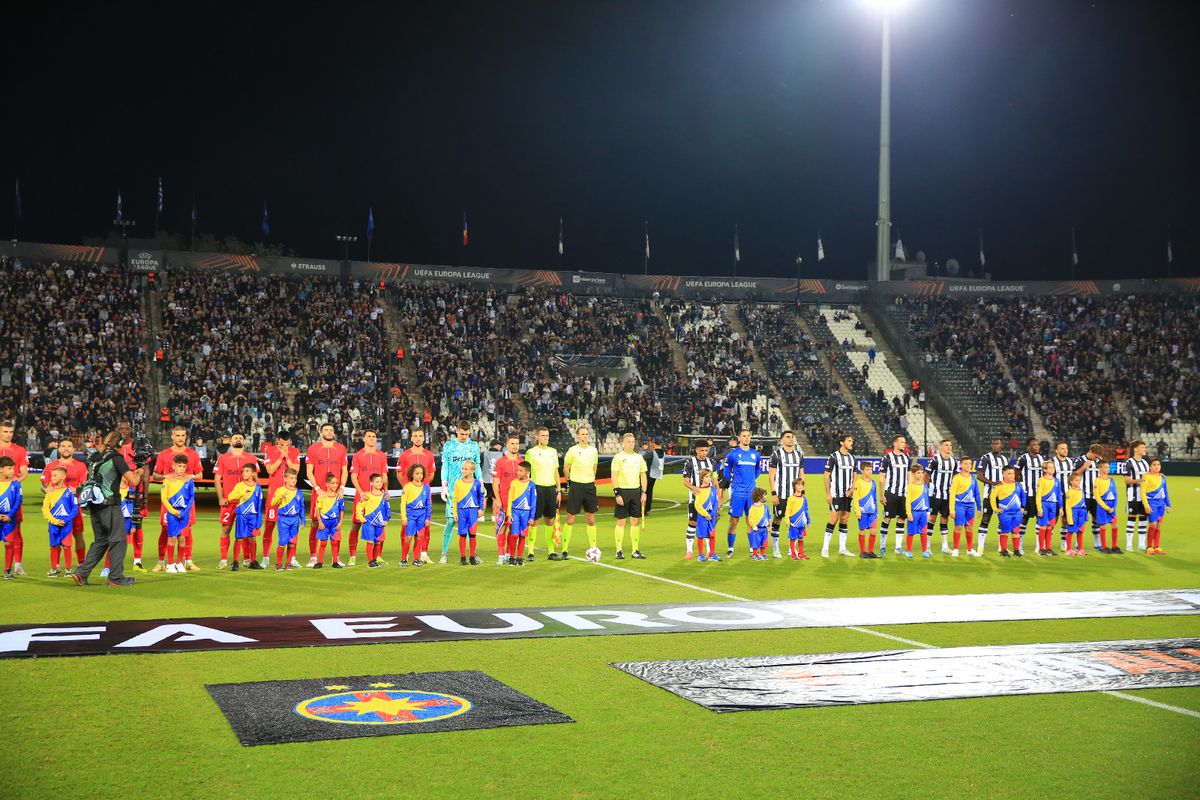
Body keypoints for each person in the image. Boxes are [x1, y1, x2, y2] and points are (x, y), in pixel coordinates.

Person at [71, 431, 144, 587]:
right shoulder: (117, 458)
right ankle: (116, 578)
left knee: (101, 541)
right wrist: (140, 472)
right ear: (119, 444)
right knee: (118, 540)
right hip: (109, 504)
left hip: (94, 505)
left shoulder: (95, 458)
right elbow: (133, 481)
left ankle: (81, 573)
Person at [151, 426, 204, 572]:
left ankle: (187, 561)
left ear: (186, 437)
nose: (180, 438)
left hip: (186, 501)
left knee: (187, 531)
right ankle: (161, 562)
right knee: (165, 530)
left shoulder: (193, 454)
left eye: (183, 435)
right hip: (170, 499)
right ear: (172, 437)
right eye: (177, 435)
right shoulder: (164, 454)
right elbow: (155, 475)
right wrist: (165, 476)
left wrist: (191, 476)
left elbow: (200, 475)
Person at [214, 433, 260, 570]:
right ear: (230, 441)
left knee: (247, 531)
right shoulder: (223, 458)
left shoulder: (251, 458)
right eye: (235, 438)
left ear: (244, 441)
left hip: (247, 502)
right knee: (226, 529)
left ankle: (247, 559)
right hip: (229, 501)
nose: (238, 439)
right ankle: (223, 559)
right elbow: (217, 479)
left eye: (240, 438)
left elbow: (255, 478)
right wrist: (221, 498)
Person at [40, 438, 88, 569]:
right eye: (63, 446)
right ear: (59, 449)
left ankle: (81, 563)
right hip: (56, 508)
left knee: (78, 535)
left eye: (69, 446)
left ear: (73, 449)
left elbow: (84, 486)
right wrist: (46, 489)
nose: (66, 448)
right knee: (56, 536)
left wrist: (77, 489)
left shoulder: (81, 466)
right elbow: (43, 486)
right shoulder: (51, 466)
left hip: (73, 507)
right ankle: (56, 566)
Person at [306, 423, 348, 567]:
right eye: (326, 430)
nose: (329, 432)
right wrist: (317, 488)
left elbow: (345, 470)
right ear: (320, 432)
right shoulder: (313, 449)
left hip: (335, 494)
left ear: (334, 432)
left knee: (336, 524)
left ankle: (335, 558)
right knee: (315, 523)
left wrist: (341, 487)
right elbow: (309, 472)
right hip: (319, 493)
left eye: (331, 430)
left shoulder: (341, 448)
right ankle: (313, 556)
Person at [440, 423, 482, 564]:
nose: (464, 437)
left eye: (466, 434)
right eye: (461, 434)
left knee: (471, 525)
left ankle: (472, 555)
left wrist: (481, 481)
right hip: (453, 489)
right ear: (457, 431)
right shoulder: (449, 446)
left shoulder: (474, 446)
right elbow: (445, 465)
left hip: (470, 491)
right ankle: (444, 553)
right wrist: (443, 485)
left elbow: (477, 466)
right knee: (451, 521)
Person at [347, 429, 388, 567]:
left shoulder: (382, 455)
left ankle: (378, 557)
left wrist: (386, 491)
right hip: (363, 496)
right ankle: (352, 556)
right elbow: (353, 476)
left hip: (378, 498)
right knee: (356, 524)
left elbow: (384, 476)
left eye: (374, 436)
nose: (371, 438)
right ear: (364, 439)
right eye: (369, 436)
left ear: (377, 439)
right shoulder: (358, 455)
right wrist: (360, 492)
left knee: (380, 524)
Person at [260, 429, 300, 569]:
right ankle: (265, 558)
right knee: (270, 526)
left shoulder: (294, 452)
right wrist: (280, 457)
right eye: (282, 444)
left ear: (290, 442)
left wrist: (287, 456)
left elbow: (295, 470)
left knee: (292, 529)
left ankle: (292, 558)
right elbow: (270, 470)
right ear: (277, 441)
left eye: (287, 444)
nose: (284, 447)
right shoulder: (269, 451)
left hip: (290, 496)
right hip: (275, 494)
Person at [722, 429, 763, 558]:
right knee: (734, 521)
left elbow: (757, 471)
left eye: (748, 436)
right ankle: (730, 548)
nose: (746, 438)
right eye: (744, 436)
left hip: (751, 494)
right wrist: (733, 482)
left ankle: (752, 549)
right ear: (739, 438)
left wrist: (751, 482)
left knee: (751, 521)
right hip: (738, 493)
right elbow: (726, 471)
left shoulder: (755, 454)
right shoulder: (733, 454)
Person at [398, 429, 436, 562]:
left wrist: (422, 488)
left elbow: (431, 474)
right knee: (406, 525)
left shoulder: (429, 455)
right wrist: (409, 489)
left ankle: (424, 554)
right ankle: (406, 555)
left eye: (420, 436)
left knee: (426, 525)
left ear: (424, 438)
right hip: (410, 497)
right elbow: (400, 474)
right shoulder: (405, 455)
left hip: (424, 494)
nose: (418, 438)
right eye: (415, 436)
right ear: (411, 438)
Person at [524, 426, 561, 561]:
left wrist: (559, 490)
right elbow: (527, 473)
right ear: (537, 437)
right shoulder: (531, 452)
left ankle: (551, 552)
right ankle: (531, 552)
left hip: (550, 489)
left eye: (547, 436)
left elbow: (556, 472)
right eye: (543, 435)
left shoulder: (553, 452)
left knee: (550, 520)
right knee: (534, 520)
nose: (546, 438)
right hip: (536, 489)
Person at [562, 425, 599, 560]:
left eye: (586, 434)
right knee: (571, 518)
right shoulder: (572, 450)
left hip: (589, 487)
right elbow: (566, 467)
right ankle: (565, 549)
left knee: (590, 519)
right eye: (582, 434)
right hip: (576, 486)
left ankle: (593, 548)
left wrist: (590, 480)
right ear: (577, 436)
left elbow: (595, 468)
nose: (584, 436)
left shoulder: (593, 451)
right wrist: (569, 481)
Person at [768, 430, 805, 560]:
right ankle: (775, 549)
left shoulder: (799, 455)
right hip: (781, 495)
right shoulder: (776, 455)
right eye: (788, 437)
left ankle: (791, 549)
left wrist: (802, 491)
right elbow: (771, 476)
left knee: (795, 522)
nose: (791, 439)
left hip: (795, 497)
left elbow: (801, 474)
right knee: (777, 520)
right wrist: (773, 493)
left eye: (792, 437)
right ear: (782, 440)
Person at [611, 432, 648, 560]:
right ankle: (619, 550)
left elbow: (643, 475)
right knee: (621, 521)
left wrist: (644, 492)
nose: (631, 444)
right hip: (623, 491)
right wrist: (617, 494)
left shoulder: (639, 458)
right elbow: (614, 476)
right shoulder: (618, 457)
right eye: (628, 442)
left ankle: (635, 550)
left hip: (636, 492)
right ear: (623, 443)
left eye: (633, 442)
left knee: (635, 521)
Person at [0, 421, 30, 576]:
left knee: (16, 530)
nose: (8, 434)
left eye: (10, 431)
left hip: (11, 496)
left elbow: (24, 472)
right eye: (5, 431)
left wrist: (15, 482)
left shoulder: (19, 450)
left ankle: (17, 565)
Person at [681, 440, 719, 560]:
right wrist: (694, 488)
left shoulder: (712, 462)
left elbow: (715, 481)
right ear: (696, 450)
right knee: (692, 523)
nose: (704, 453)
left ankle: (709, 552)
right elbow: (686, 481)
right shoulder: (689, 463)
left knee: (709, 524)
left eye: (706, 450)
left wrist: (718, 498)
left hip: (710, 501)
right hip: (695, 500)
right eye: (702, 450)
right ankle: (689, 551)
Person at [160, 454, 196, 574]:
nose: (181, 468)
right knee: (172, 538)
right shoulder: (168, 480)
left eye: (183, 466)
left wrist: (185, 512)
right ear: (173, 466)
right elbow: (164, 498)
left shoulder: (189, 480)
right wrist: (174, 511)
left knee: (182, 539)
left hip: (184, 514)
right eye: (179, 466)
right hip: (172, 514)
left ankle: (180, 563)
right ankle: (170, 564)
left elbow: (191, 498)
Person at [822, 434, 856, 558]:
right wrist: (828, 494)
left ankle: (842, 548)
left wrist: (852, 489)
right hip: (836, 494)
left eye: (852, 441)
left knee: (845, 519)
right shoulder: (833, 457)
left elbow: (854, 475)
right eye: (849, 440)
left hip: (848, 495)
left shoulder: (852, 458)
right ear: (842, 443)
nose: (852, 443)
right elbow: (826, 475)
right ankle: (825, 548)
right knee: (833, 519)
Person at [43, 466, 80, 576]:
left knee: (67, 546)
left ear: (63, 476)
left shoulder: (70, 492)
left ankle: (68, 569)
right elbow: (45, 509)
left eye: (55, 475)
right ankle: (54, 569)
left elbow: (75, 508)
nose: (52, 477)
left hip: (66, 524)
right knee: (54, 546)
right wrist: (54, 520)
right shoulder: (49, 493)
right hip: (53, 524)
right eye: (52, 475)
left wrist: (67, 519)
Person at [225, 464, 264, 571]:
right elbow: (230, 497)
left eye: (247, 471)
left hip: (253, 516)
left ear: (253, 473)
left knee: (252, 538)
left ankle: (253, 561)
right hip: (242, 516)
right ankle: (235, 562)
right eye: (243, 471)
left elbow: (259, 504)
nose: (244, 473)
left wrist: (259, 519)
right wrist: (242, 493)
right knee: (239, 538)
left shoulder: (258, 487)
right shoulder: (240, 486)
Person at [490, 434, 522, 565]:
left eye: (517, 444)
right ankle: (500, 555)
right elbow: (495, 482)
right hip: (504, 500)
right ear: (507, 445)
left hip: (517, 501)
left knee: (513, 528)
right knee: (502, 527)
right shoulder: (500, 462)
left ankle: (509, 553)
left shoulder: (522, 462)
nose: (515, 446)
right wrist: (498, 500)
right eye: (512, 443)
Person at [975, 438, 1010, 555]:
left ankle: (1001, 547)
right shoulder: (985, 458)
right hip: (988, 494)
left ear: (1002, 446)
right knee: (986, 519)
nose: (995, 445)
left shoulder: (1006, 459)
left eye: (998, 444)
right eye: (994, 443)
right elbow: (979, 475)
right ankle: (980, 548)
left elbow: (1009, 476)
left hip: (1003, 496)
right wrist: (992, 483)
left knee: (1003, 521)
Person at [268, 467, 305, 572]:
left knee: (292, 542)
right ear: (285, 479)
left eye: (295, 478)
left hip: (294, 520)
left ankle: (288, 563)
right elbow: (273, 503)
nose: (294, 480)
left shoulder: (299, 492)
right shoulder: (280, 490)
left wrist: (303, 520)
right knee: (283, 542)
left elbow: (302, 507)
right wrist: (280, 497)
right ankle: (278, 564)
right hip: (283, 520)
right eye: (291, 478)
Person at [501, 461, 537, 565]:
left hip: (526, 514)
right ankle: (512, 556)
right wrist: (509, 513)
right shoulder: (514, 483)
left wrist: (532, 516)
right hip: (515, 512)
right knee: (514, 535)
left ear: (527, 472)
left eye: (521, 471)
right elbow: (510, 499)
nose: (518, 472)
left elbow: (533, 501)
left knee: (522, 535)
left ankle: (520, 557)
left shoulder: (532, 485)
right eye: (517, 470)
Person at [881, 434, 911, 556]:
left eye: (904, 442)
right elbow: (882, 477)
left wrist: (911, 492)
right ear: (895, 443)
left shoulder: (907, 458)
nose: (904, 444)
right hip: (891, 493)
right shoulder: (887, 458)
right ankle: (882, 546)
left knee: (902, 519)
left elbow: (909, 476)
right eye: (902, 442)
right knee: (887, 519)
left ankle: (898, 547)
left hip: (903, 494)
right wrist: (881, 494)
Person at [451, 460, 486, 565]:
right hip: (462, 511)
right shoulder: (458, 482)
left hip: (472, 511)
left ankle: (472, 556)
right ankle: (462, 557)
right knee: (462, 534)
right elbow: (455, 499)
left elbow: (480, 497)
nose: (463, 470)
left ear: (472, 471)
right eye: (462, 468)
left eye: (465, 469)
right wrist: (455, 513)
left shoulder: (477, 483)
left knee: (472, 534)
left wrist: (481, 509)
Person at [1014, 438, 1045, 555]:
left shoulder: (1041, 459)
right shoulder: (1023, 458)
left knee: (1040, 519)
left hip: (1038, 495)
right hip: (1027, 494)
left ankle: (1038, 547)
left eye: (1037, 445)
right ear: (1029, 447)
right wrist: (1020, 487)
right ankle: (1019, 546)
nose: (1037, 446)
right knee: (1024, 519)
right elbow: (1016, 473)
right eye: (1034, 445)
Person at [398, 464, 431, 567]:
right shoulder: (407, 487)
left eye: (421, 473)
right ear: (412, 474)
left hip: (421, 516)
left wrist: (427, 517)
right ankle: (404, 559)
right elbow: (403, 503)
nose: (419, 475)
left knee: (419, 538)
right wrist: (404, 517)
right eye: (417, 473)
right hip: (411, 516)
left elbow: (428, 504)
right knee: (408, 537)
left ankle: (416, 559)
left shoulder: (426, 488)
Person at [927, 439, 957, 554]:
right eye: (946, 445)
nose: (949, 447)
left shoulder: (954, 462)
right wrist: (930, 488)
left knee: (945, 519)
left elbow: (954, 477)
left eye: (950, 445)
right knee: (932, 519)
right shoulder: (935, 460)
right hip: (935, 495)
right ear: (941, 447)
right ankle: (928, 546)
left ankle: (944, 547)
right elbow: (926, 476)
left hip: (947, 495)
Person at [990, 465, 1027, 558]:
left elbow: (1023, 496)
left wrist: (1022, 507)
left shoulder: (1018, 485)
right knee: (1005, 531)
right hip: (1005, 513)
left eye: (1013, 473)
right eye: (1009, 474)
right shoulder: (999, 485)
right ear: (1003, 474)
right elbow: (992, 497)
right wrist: (995, 509)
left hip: (1017, 513)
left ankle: (1016, 551)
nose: (1012, 476)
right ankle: (1003, 551)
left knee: (1016, 531)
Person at [948, 456, 981, 558]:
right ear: (961, 465)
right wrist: (952, 509)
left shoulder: (973, 478)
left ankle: (970, 549)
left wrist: (979, 508)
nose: (968, 465)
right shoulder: (957, 478)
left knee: (969, 527)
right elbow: (952, 494)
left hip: (971, 506)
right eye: (966, 463)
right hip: (960, 505)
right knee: (958, 527)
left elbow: (977, 494)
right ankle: (956, 549)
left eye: (969, 464)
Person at [356, 473, 390, 568]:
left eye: (381, 481)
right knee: (370, 542)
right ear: (371, 483)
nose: (380, 483)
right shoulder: (367, 495)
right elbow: (359, 506)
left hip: (379, 523)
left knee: (377, 542)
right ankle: (370, 562)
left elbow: (387, 508)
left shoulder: (384, 496)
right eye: (377, 481)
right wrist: (362, 518)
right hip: (369, 523)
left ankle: (375, 560)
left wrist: (387, 519)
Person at [1123, 440, 1151, 552]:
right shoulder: (1128, 463)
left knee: (1143, 520)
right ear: (1135, 449)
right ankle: (1129, 544)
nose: (1145, 449)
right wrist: (1141, 480)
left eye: (1145, 447)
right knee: (1131, 520)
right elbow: (1127, 481)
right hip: (1133, 496)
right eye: (1143, 447)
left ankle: (1141, 544)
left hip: (1144, 497)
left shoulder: (1145, 462)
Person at [314, 474, 345, 568]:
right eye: (333, 483)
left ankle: (335, 562)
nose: (335, 485)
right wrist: (319, 522)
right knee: (323, 542)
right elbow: (318, 509)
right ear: (327, 484)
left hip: (335, 522)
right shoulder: (322, 496)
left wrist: (340, 522)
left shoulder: (339, 497)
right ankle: (319, 562)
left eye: (336, 483)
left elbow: (341, 511)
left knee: (334, 542)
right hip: (324, 522)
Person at [1141, 458, 1170, 555]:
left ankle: (1157, 547)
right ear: (1150, 466)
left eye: (1158, 464)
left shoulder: (1163, 477)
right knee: (1153, 524)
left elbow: (1165, 491)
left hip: (1161, 504)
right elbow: (1142, 492)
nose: (1157, 466)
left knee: (1158, 525)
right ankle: (1149, 547)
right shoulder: (1146, 476)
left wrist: (1168, 505)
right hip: (1152, 503)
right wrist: (1146, 505)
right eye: (1154, 464)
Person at [1034, 461, 1062, 557]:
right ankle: (1041, 548)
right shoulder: (1041, 480)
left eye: (1053, 467)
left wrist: (1061, 507)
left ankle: (1048, 548)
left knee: (1050, 527)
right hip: (1044, 504)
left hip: (1053, 506)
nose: (1052, 469)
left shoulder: (1057, 481)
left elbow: (1059, 494)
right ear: (1044, 470)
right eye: (1049, 467)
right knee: (1043, 526)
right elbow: (1038, 495)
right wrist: (1039, 508)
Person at [852, 461, 880, 558]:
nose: (869, 471)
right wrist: (857, 511)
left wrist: (876, 511)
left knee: (873, 531)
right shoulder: (858, 483)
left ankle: (870, 551)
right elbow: (855, 498)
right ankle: (863, 551)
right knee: (862, 531)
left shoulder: (873, 483)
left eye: (870, 469)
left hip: (872, 512)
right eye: (867, 470)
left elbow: (875, 498)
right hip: (862, 512)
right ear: (862, 470)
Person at [0, 456, 22, 580]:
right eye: (9, 468)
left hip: (10, 519)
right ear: (1, 469)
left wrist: (10, 515)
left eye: (13, 468)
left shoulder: (16, 484)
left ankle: (7, 570)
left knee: (9, 543)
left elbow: (18, 501)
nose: (12, 471)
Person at [692, 469, 721, 562]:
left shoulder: (713, 489)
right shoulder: (698, 490)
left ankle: (712, 554)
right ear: (702, 478)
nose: (709, 479)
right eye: (706, 477)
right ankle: (701, 555)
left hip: (711, 516)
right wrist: (706, 514)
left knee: (712, 536)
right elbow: (697, 505)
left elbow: (716, 502)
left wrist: (712, 514)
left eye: (710, 477)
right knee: (701, 536)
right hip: (702, 516)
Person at [903, 463, 930, 559]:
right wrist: (909, 513)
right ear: (913, 474)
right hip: (914, 513)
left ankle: (924, 551)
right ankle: (909, 551)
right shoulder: (910, 486)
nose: (920, 475)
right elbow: (908, 501)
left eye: (922, 473)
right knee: (911, 532)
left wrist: (928, 512)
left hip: (923, 513)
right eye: (918, 473)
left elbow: (926, 499)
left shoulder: (925, 486)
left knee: (924, 532)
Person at [1051, 441, 1074, 551]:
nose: (1065, 450)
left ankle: (1063, 543)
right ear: (1056, 451)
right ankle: (1047, 543)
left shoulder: (1070, 461)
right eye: (1062, 448)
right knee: (1052, 520)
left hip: (1068, 495)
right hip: (1055, 496)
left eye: (1066, 448)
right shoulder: (1052, 462)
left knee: (1065, 520)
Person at [1092, 461, 1120, 554]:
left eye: (1108, 467)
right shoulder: (1097, 480)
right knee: (1104, 525)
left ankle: (1114, 546)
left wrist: (1114, 507)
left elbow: (1116, 495)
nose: (1107, 469)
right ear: (1100, 468)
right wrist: (1106, 507)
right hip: (1103, 507)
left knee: (1115, 524)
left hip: (1112, 507)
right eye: (1105, 467)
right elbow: (1097, 497)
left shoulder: (1111, 480)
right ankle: (1104, 547)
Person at [784, 476, 810, 560]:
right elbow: (788, 510)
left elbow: (806, 510)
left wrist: (808, 521)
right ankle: (793, 554)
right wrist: (787, 521)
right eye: (798, 485)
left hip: (802, 523)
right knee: (793, 538)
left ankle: (801, 554)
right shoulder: (791, 498)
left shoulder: (804, 498)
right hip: (794, 523)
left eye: (802, 485)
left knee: (801, 538)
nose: (800, 486)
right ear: (794, 486)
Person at [1062, 473, 1088, 556]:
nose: (1078, 482)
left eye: (1079, 480)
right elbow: (1068, 506)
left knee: (1080, 531)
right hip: (1074, 512)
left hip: (1081, 512)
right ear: (1071, 482)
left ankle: (1080, 548)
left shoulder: (1081, 490)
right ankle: (1068, 549)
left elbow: (1083, 502)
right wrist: (1069, 518)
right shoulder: (1069, 492)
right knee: (1070, 531)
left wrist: (1085, 516)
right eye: (1076, 480)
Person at [746, 487, 771, 561]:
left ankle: (763, 554)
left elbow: (768, 517)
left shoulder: (766, 507)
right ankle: (755, 554)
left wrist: (769, 526)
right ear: (759, 497)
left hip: (764, 529)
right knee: (756, 542)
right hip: (757, 529)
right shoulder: (753, 508)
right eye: (764, 495)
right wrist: (754, 526)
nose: (766, 496)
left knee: (764, 542)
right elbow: (750, 519)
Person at [641, 437, 664, 516]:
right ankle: (647, 509)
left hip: (648, 474)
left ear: (654, 444)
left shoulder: (652, 453)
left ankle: (642, 509)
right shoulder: (663, 453)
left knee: (643, 491)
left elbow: (641, 458)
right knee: (650, 491)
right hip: (655, 475)